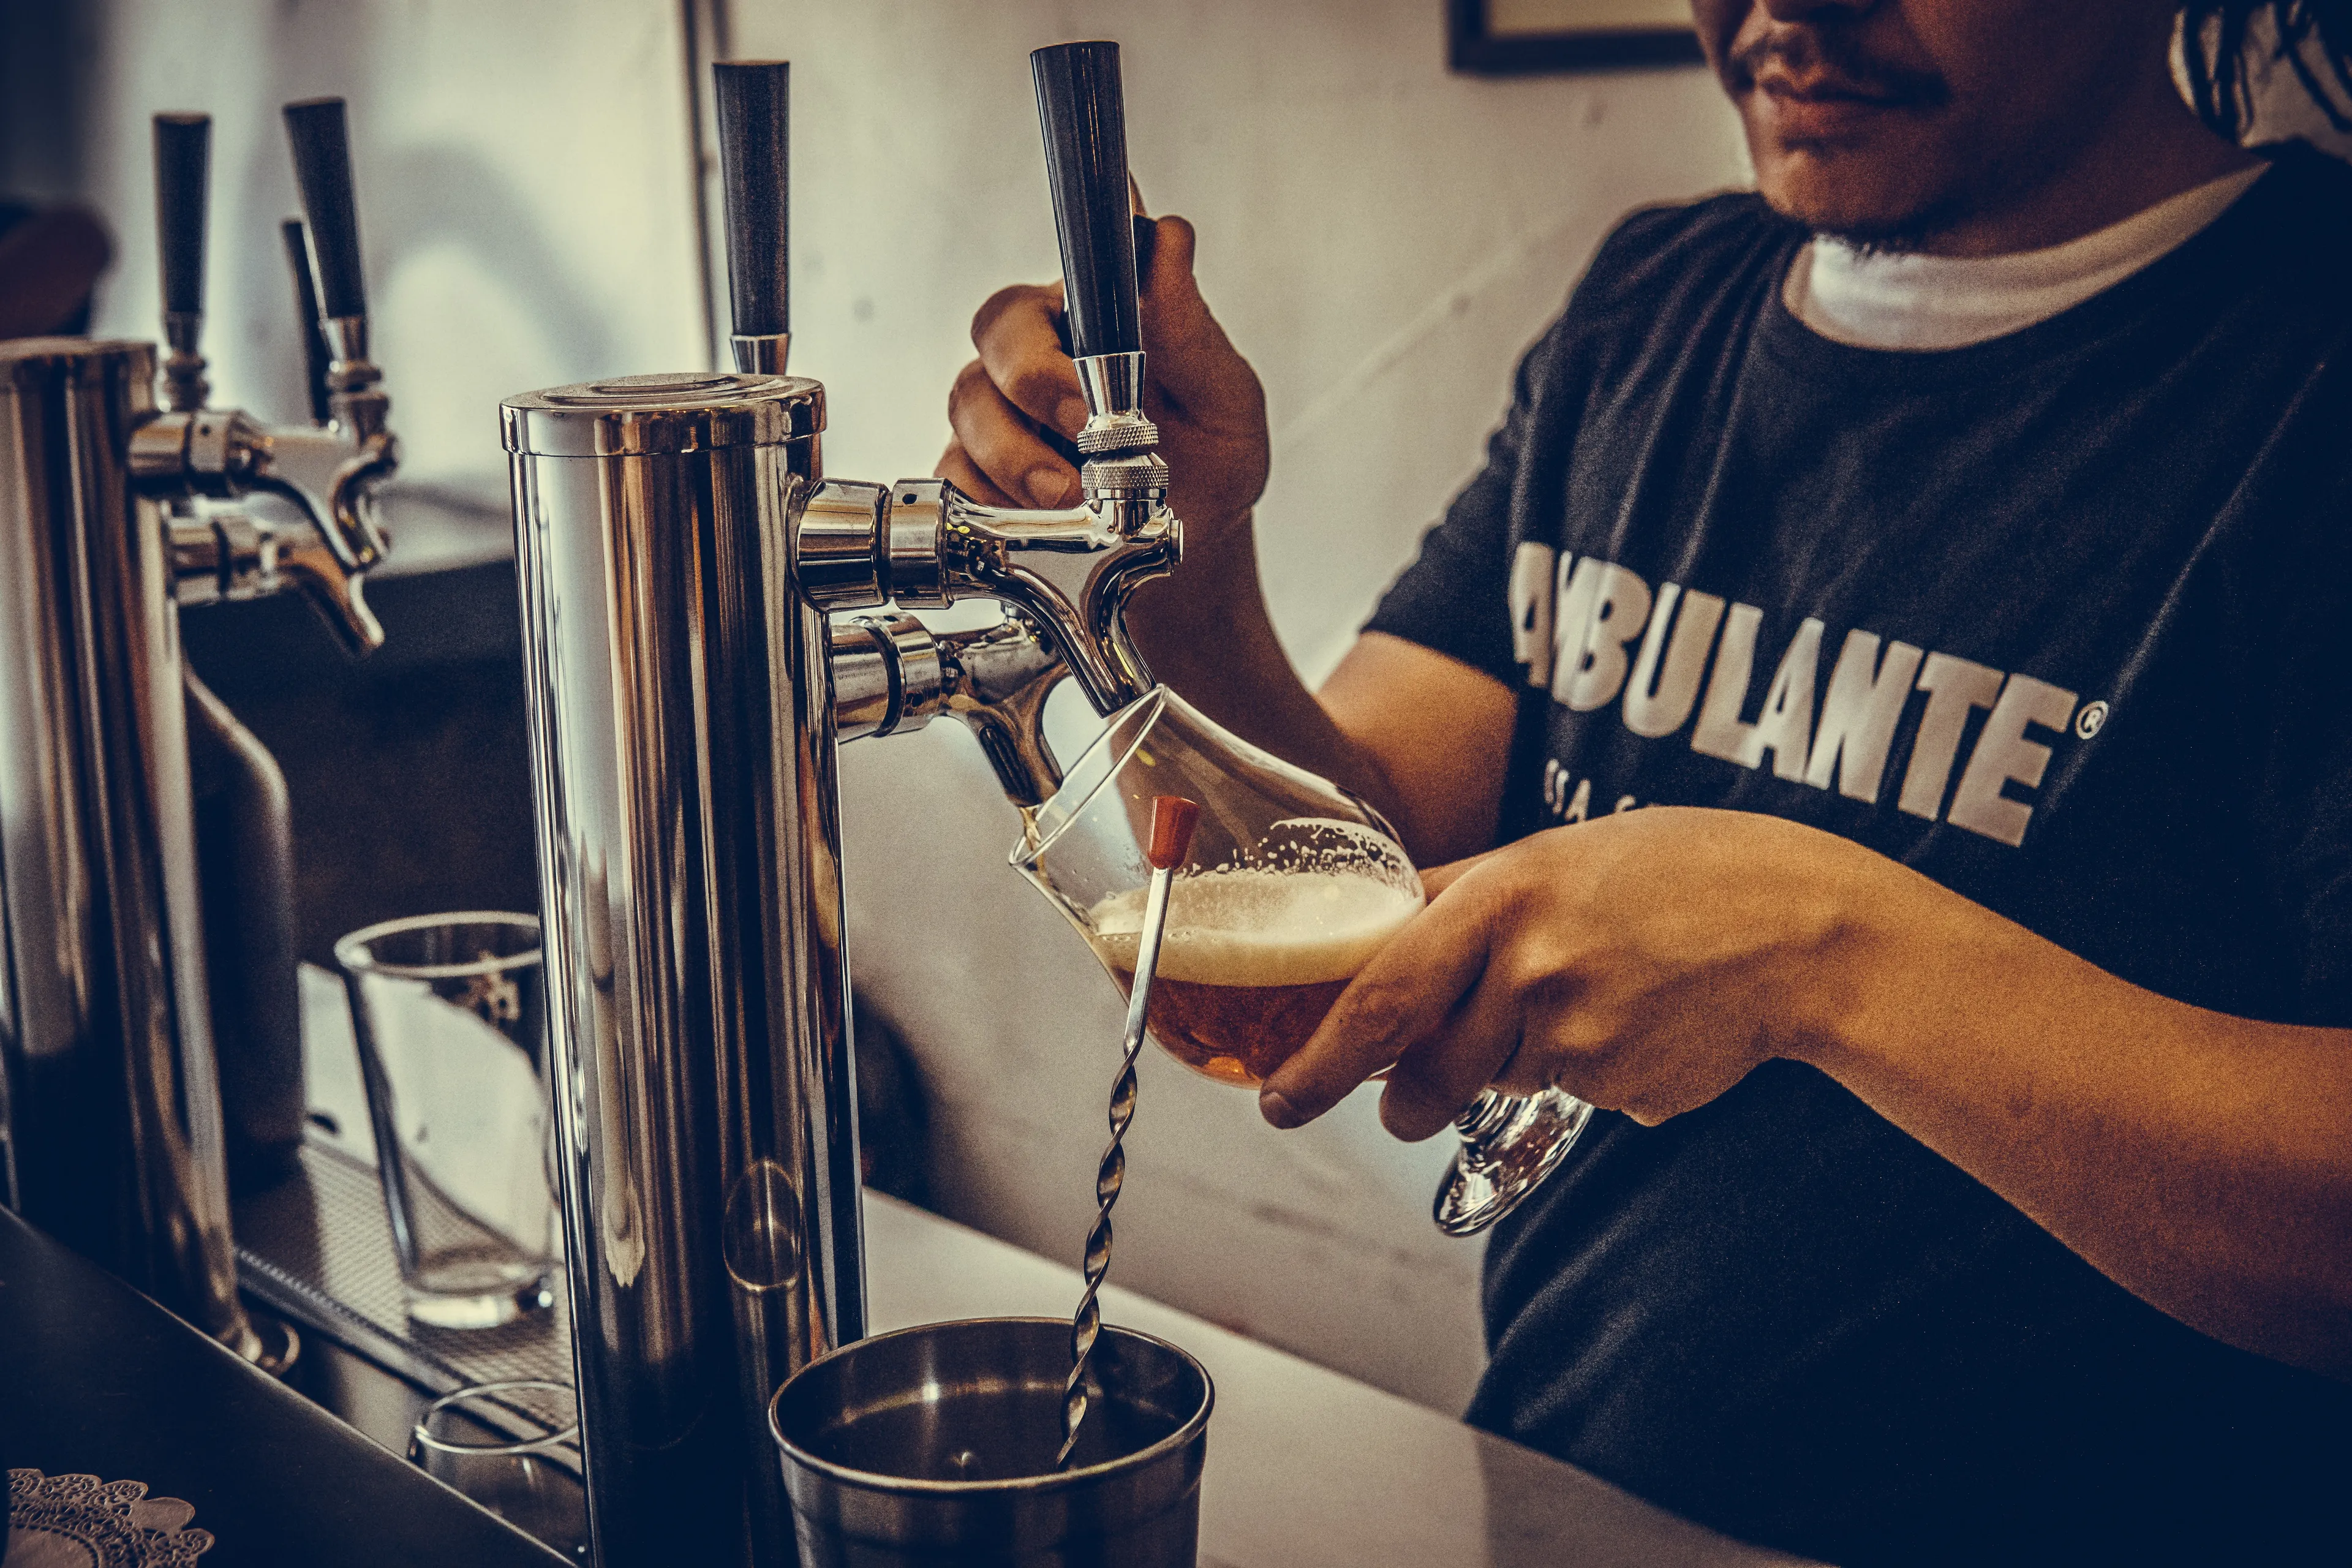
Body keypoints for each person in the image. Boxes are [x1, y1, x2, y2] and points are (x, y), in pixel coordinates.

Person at [941, 2, 2352, 1560]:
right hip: (1558, 1498)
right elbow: (1370, 854)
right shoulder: (1649, 309)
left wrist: (1819, 948)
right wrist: (1188, 577)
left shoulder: (2306, 368)